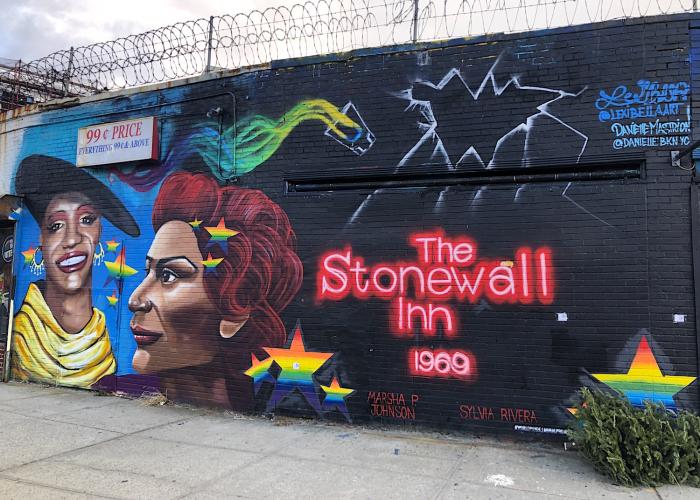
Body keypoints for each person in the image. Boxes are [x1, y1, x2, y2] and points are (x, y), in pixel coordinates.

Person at [128, 171, 302, 409]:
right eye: (148, 271)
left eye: (168, 275)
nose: (135, 300)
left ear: (237, 308)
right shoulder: (116, 386)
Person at [12, 155, 140, 387]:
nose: (72, 239)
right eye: (56, 226)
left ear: (99, 231)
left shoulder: (102, 342)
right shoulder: (21, 337)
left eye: (87, 220)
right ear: (42, 240)